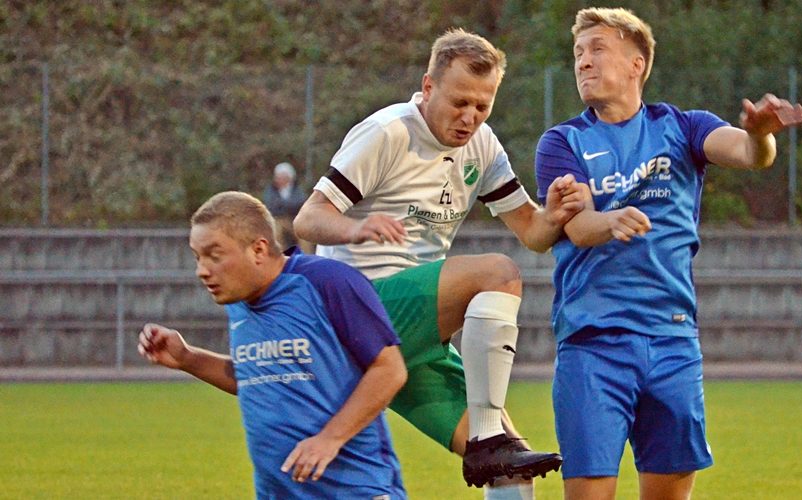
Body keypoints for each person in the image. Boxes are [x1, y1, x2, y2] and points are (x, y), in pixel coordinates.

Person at [293, 29, 584, 495]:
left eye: (482, 106)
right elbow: (308, 219)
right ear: (428, 87)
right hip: (361, 309)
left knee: (511, 466)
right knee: (497, 274)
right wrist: (356, 228)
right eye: (459, 102)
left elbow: (533, 232)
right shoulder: (388, 132)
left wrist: (556, 213)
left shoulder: (482, 146)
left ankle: (490, 442)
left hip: (414, 335)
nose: (470, 117)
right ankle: (487, 436)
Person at [533, 7, 802, 500]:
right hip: (594, 341)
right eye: (578, 53)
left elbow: (749, 155)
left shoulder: (682, 127)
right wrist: (610, 220)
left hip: (671, 340)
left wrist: (760, 133)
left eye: (597, 49)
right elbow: (575, 226)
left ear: (637, 63)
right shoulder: (563, 141)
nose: (583, 62)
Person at [138, 191, 408, 499]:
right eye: (197, 257)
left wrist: (329, 439)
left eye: (214, 255)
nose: (202, 269)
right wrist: (187, 358)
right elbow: (260, 377)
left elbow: (390, 369)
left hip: (354, 490)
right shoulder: (238, 303)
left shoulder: (326, 282)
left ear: (258, 249)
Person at [263, 161, 311, 252]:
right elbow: (271, 205)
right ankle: (280, 256)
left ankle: (307, 256)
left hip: (295, 219)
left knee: (305, 235)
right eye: (278, 177)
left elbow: (300, 203)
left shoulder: (296, 189)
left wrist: (283, 205)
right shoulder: (271, 190)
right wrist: (287, 206)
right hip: (279, 219)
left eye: (283, 177)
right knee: (276, 231)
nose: (279, 179)